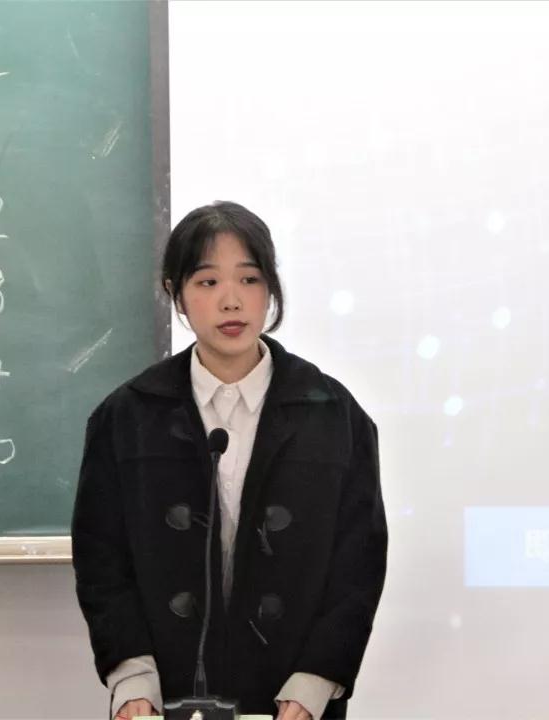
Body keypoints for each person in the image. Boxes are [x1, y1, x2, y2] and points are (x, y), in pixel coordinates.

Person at [71, 201, 387, 720]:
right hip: (162, 695)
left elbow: (359, 561)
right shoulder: (127, 417)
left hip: (294, 697)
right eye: (207, 282)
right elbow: (101, 558)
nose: (231, 300)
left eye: (249, 279)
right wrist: (132, 676)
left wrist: (316, 678)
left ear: (270, 289)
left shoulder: (333, 413)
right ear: (176, 293)